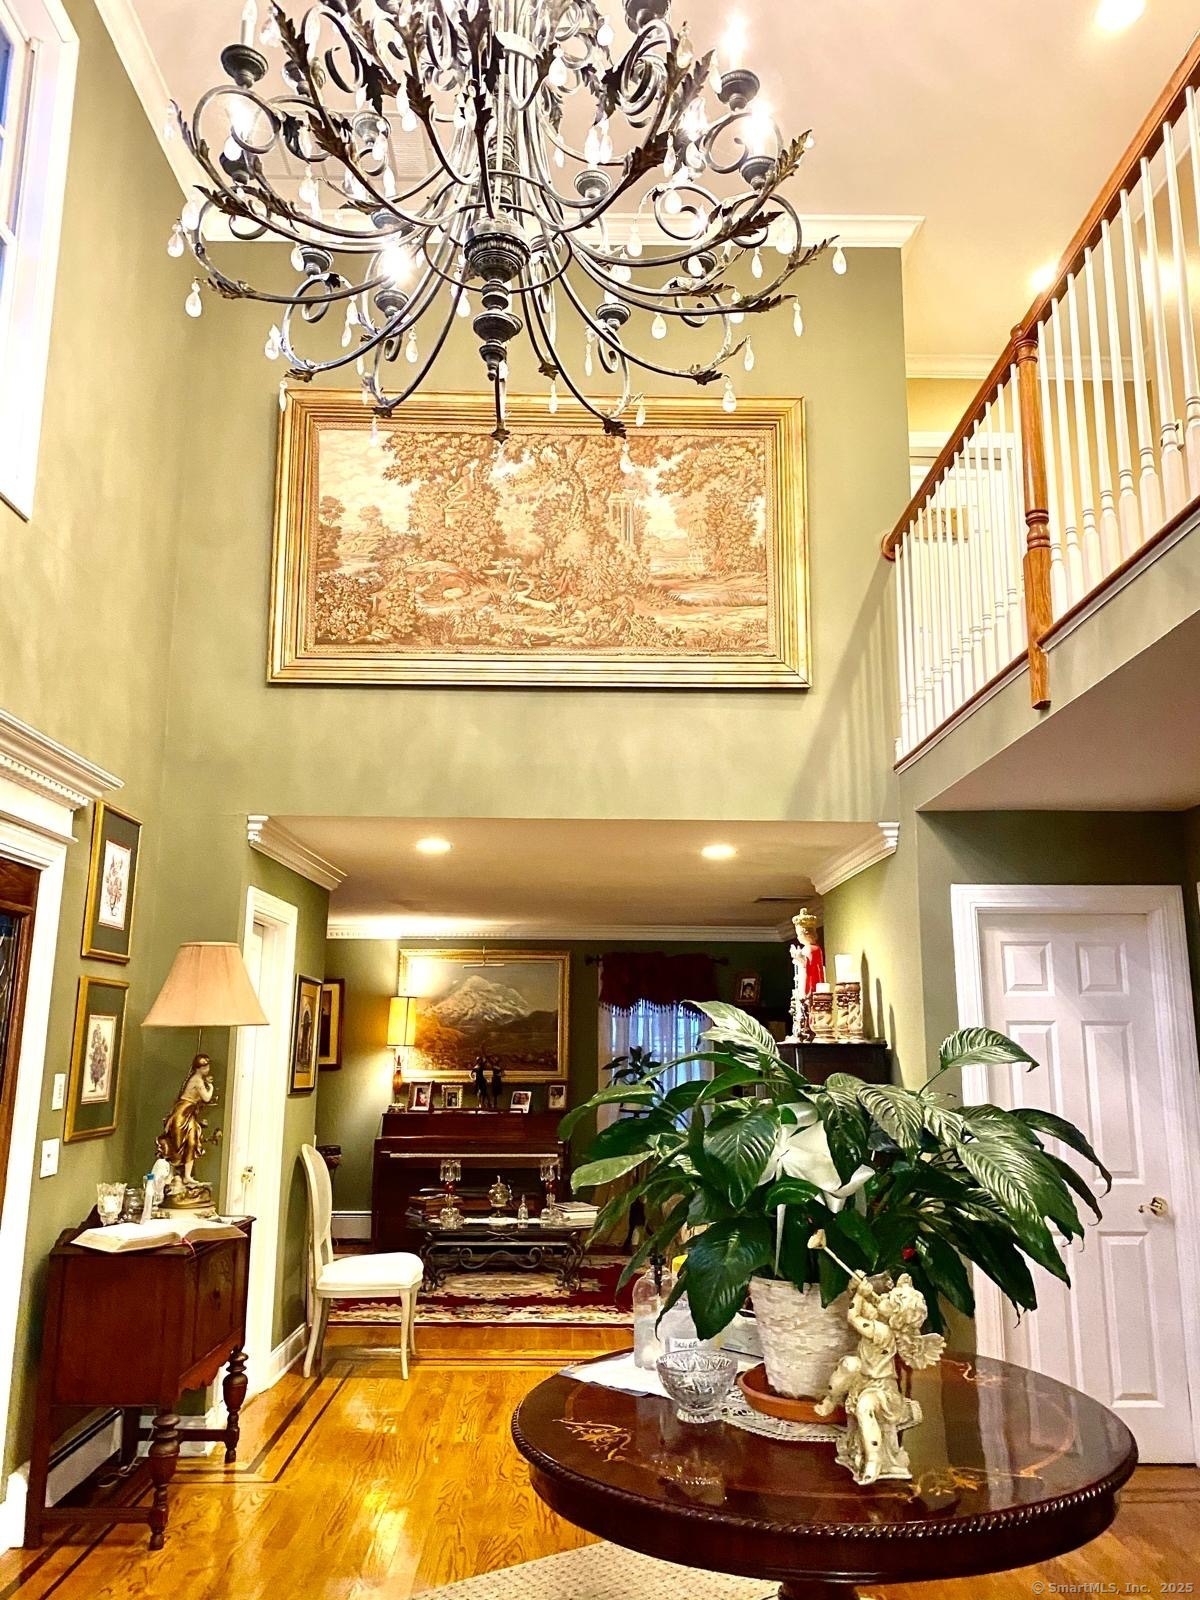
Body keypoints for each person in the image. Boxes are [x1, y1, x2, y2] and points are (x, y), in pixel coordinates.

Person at [161, 1054, 216, 1191]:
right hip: (182, 1112)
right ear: (199, 1068)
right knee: (178, 1143)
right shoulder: (197, 1080)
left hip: (190, 1113)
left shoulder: (199, 1079)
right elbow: (206, 1097)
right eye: (205, 1066)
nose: (208, 1069)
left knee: (192, 1142)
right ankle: (171, 1174)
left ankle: (187, 1175)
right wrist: (211, 1086)